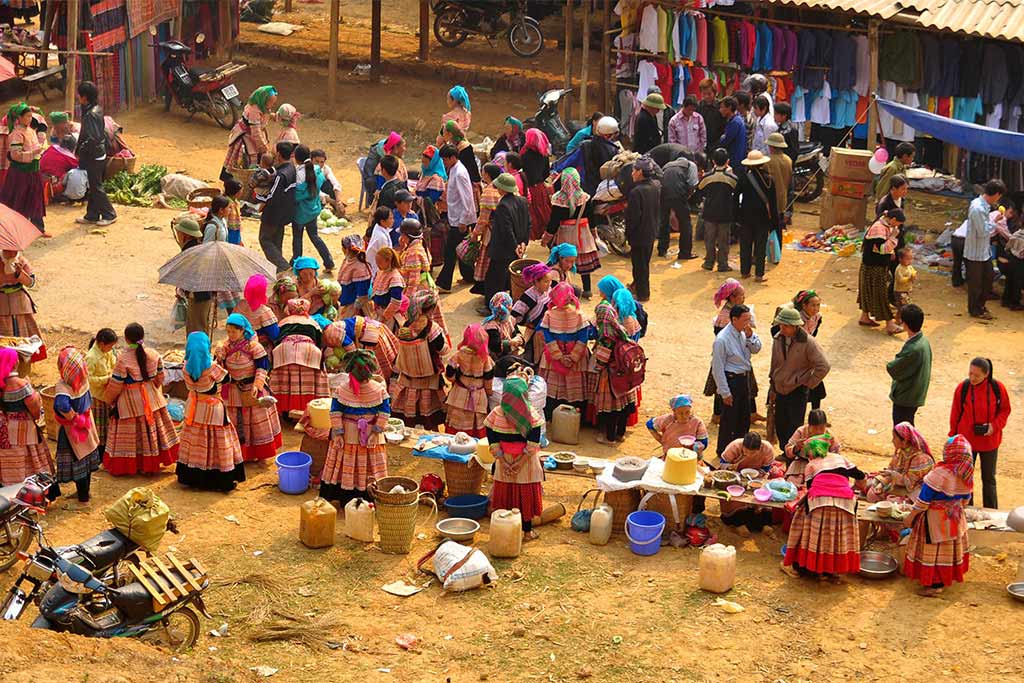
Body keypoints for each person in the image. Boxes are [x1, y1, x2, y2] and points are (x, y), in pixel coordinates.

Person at [102, 323, 180, 475]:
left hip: (130, 402)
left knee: (133, 436)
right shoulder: (153, 354)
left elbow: (116, 385)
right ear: (142, 337)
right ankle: (151, 463)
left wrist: (109, 399)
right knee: (153, 433)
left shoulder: (123, 359)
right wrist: (153, 390)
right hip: (152, 398)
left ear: (126, 339)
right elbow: (160, 377)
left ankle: (134, 465)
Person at [174, 332, 245, 491]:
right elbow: (226, 379)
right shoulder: (211, 367)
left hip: (194, 406)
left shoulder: (185, 366)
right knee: (216, 441)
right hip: (212, 409)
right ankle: (219, 478)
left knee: (195, 440)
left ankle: (192, 476)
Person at [903, 435, 973, 597]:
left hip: (934, 520)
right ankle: (944, 580)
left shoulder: (939, 474)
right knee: (948, 553)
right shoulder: (966, 473)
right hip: (955, 519)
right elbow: (965, 500)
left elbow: (923, 500)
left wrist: (910, 517)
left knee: (933, 553)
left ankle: (934, 585)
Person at [319, 350, 391, 506]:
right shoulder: (379, 390)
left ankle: (345, 496)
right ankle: (367, 497)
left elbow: (335, 412)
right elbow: (384, 413)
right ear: (370, 372)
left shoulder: (341, 390)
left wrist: (338, 433)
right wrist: (376, 431)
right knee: (367, 466)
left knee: (345, 464)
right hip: (365, 434)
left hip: (348, 435)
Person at [782, 452, 865, 582]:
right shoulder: (840, 458)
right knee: (835, 535)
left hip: (820, 502)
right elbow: (861, 476)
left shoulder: (811, 464)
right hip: (846, 503)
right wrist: (851, 487)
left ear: (810, 454)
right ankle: (830, 571)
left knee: (809, 530)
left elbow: (811, 488)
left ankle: (799, 567)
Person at [216, 313, 282, 463]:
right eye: (228, 332)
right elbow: (220, 368)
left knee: (254, 421)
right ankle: (239, 454)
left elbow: (263, 367)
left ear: (242, 331)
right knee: (235, 420)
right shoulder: (225, 347)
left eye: (233, 331)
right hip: (232, 390)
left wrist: (257, 384)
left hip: (251, 389)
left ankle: (256, 453)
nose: (230, 335)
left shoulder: (254, 347)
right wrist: (218, 356)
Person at [486, 375, 545, 540]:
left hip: (504, 459)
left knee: (505, 494)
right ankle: (527, 532)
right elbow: (533, 444)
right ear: (524, 394)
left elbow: (493, 441)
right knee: (524, 495)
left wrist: (503, 461)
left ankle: (504, 532)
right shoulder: (531, 415)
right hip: (526, 462)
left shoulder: (496, 414)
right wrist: (519, 463)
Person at [949, 357, 1010, 509]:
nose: (972, 378)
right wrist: (953, 437)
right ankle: (966, 511)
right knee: (964, 478)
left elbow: (1005, 410)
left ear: (986, 374)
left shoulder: (998, 388)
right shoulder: (962, 388)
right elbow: (955, 413)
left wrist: (993, 426)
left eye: (976, 375)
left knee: (989, 479)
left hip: (989, 441)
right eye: (970, 373)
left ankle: (991, 513)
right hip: (966, 442)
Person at [769, 304, 830, 451]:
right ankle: (785, 451)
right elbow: (774, 363)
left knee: (794, 425)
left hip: (797, 390)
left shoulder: (809, 342)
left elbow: (824, 366)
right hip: (780, 388)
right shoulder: (778, 339)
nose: (782, 329)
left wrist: (808, 383)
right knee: (781, 423)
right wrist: (772, 385)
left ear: (795, 326)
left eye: (785, 326)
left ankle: (793, 454)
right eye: (781, 325)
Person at [390, 290, 451, 429]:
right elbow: (443, 350)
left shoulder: (405, 326)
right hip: (429, 380)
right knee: (429, 418)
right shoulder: (432, 329)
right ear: (430, 309)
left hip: (408, 378)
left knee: (410, 416)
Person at [0, 347, 55, 491]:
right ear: (14, 362)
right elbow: (35, 409)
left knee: (9, 461)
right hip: (24, 430)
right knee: (30, 460)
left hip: (3, 430)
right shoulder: (22, 385)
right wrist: (35, 418)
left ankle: (9, 491)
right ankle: (32, 495)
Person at [591, 279, 639, 444]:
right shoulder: (623, 330)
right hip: (627, 372)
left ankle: (609, 437)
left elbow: (602, 359)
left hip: (611, 375)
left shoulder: (608, 337)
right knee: (625, 405)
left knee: (613, 408)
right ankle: (620, 434)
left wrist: (597, 366)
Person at [712, 304, 761, 455]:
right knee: (729, 420)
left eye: (749, 319)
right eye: (745, 319)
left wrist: (750, 336)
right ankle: (723, 452)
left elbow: (757, 349)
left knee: (743, 418)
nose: (748, 322)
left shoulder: (744, 333)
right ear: (734, 319)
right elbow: (717, 368)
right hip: (731, 380)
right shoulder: (722, 340)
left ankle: (740, 449)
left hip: (744, 379)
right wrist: (725, 392)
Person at [537, 282, 590, 418]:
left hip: (554, 359)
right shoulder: (579, 314)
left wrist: (559, 356)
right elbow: (583, 338)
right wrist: (573, 357)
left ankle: (551, 416)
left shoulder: (549, 314)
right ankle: (577, 418)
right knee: (575, 388)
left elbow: (547, 337)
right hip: (576, 360)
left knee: (554, 387)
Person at [545, 168, 600, 298]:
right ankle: (587, 290)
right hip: (583, 233)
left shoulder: (558, 200)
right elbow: (592, 220)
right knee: (583, 261)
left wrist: (547, 238)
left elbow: (553, 222)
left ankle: (562, 288)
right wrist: (594, 235)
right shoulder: (585, 198)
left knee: (563, 261)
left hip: (565, 234)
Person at [270, 298, 328, 415]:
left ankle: (285, 409)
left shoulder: (283, 322)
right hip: (309, 351)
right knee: (308, 381)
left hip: (284, 351)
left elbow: (276, 339)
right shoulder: (313, 323)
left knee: (286, 382)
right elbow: (320, 343)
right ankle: (310, 409)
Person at [73, 82, 116, 226]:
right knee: (93, 185)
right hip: (98, 154)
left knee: (96, 187)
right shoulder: (96, 109)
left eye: (79, 95)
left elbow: (93, 138)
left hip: (94, 156)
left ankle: (109, 214)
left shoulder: (91, 114)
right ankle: (92, 215)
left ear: (84, 97)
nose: (77, 97)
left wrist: (82, 150)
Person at [0, 103, 47, 235]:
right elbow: (15, 155)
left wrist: (38, 151)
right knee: (20, 201)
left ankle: (38, 228)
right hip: (20, 174)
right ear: (18, 118)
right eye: (27, 116)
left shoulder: (31, 131)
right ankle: (18, 230)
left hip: (33, 171)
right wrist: (34, 153)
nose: (30, 119)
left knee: (36, 198)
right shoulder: (16, 134)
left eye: (31, 116)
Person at [483, 172, 531, 303]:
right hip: (517, 247)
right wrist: (523, 243)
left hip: (503, 249)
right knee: (510, 277)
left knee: (494, 279)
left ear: (502, 189)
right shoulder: (522, 201)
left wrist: (514, 245)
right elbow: (528, 224)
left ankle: (491, 305)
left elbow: (506, 229)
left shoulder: (503, 205)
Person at [436, 144, 477, 292]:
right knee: (461, 249)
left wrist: (463, 221)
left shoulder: (459, 173)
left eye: (445, 160)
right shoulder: (454, 170)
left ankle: (444, 283)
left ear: (452, 158)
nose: (444, 163)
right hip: (456, 216)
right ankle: (469, 275)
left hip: (460, 219)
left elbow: (467, 198)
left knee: (450, 251)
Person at [718, 432, 777, 533]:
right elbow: (722, 463)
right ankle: (738, 523)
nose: (749, 455)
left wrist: (757, 476)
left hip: (758, 476)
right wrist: (729, 467)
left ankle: (763, 523)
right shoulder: (735, 446)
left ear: (759, 448)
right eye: (746, 452)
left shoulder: (767, 449)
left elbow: (766, 468)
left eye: (753, 453)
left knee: (763, 494)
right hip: (734, 476)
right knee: (735, 496)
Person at [963, 179, 1005, 319]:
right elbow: (983, 232)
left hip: (982, 251)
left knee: (988, 279)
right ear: (997, 194)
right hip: (975, 252)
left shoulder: (982, 205)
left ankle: (980, 306)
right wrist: (996, 223)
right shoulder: (978, 208)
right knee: (976, 284)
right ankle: (975, 310)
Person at [858, 208, 904, 334]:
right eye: (898, 223)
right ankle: (889, 323)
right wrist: (894, 238)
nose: (897, 226)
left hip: (870, 265)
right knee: (880, 294)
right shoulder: (879, 228)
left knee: (867, 291)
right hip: (875, 267)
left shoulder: (884, 225)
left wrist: (891, 251)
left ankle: (865, 317)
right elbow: (882, 248)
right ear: (893, 219)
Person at [444, 324, 495, 437]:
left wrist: (455, 381)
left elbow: (449, 374)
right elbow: (488, 380)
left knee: (457, 421)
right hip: (478, 395)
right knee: (477, 423)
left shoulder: (459, 354)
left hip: (459, 394)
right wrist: (489, 393)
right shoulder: (486, 359)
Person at [864, 422, 934, 502]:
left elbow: (910, 483)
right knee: (872, 493)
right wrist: (881, 483)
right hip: (900, 486)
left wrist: (893, 475)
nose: (892, 441)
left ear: (904, 441)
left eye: (894, 438)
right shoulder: (900, 452)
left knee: (893, 501)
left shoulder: (920, 459)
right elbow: (890, 470)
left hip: (916, 490)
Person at [886, 303, 931, 426]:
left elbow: (893, 368)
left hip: (906, 395)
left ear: (904, 324)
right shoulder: (923, 341)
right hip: (915, 393)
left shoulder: (913, 349)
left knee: (902, 428)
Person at [256, 141, 297, 274]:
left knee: (265, 240)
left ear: (278, 154)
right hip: (285, 213)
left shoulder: (281, 175)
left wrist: (260, 202)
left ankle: (284, 267)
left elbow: (272, 195)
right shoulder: (291, 168)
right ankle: (278, 271)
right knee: (276, 241)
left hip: (273, 214)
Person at [736, 150, 778, 282]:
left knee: (745, 245)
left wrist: (736, 215)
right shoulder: (769, 179)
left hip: (745, 216)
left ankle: (745, 272)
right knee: (760, 246)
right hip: (763, 218)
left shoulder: (743, 178)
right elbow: (773, 203)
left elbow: (735, 197)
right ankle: (759, 274)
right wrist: (774, 222)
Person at [398, 219, 447, 332]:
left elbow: (414, 280)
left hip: (418, 293)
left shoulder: (413, 253)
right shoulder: (419, 245)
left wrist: (407, 300)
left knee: (421, 323)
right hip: (425, 287)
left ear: (406, 236)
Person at [292, 145, 334, 273]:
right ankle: (328, 261)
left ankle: (297, 263)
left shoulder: (299, 174)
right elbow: (317, 187)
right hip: (313, 210)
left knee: (297, 239)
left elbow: (297, 195)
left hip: (300, 213)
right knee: (315, 236)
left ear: (296, 159)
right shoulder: (316, 170)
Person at [625, 156, 660, 302]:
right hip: (650, 231)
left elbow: (633, 218)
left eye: (634, 170)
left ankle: (643, 294)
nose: (632, 173)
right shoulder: (655, 186)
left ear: (640, 172)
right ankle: (637, 286)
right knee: (643, 263)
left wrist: (628, 234)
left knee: (639, 266)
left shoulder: (636, 192)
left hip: (639, 234)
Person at [697, 148, 737, 272]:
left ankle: (709, 262)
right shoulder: (732, 178)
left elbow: (699, 190)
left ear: (713, 161)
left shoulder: (707, 177)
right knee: (723, 240)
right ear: (728, 161)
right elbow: (736, 192)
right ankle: (723, 264)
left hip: (709, 213)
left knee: (709, 239)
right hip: (725, 213)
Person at [223, 85, 276, 180]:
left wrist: (272, 116)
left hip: (252, 135)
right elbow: (255, 133)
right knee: (244, 161)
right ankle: (241, 181)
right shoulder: (254, 111)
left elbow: (264, 116)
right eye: (270, 102)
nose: (271, 105)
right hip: (246, 138)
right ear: (263, 100)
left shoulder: (261, 106)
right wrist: (264, 148)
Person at [782, 409, 841, 485]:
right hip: (801, 463)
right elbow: (788, 451)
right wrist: (796, 447)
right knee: (792, 485)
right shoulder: (801, 431)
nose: (818, 431)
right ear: (809, 425)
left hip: (823, 465)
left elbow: (837, 455)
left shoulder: (829, 435)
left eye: (821, 428)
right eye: (815, 428)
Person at [657, 152, 699, 260]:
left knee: (664, 222)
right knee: (685, 224)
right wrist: (687, 196)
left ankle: (662, 250)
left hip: (662, 194)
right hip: (678, 195)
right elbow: (693, 183)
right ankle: (685, 253)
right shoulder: (691, 165)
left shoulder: (667, 165)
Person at [0, 250, 44, 349]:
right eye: (8, 251)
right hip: (1, 302)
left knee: (25, 332)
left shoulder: (22, 261)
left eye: (14, 251)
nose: (12, 254)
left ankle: (25, 358)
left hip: (20, 302)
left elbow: (31, 283)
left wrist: (20, 273)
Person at [471, 163, 502, 299]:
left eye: (483, 172)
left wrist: (475, 234)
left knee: (487, 261)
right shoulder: (501, 189)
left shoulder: (488, 192)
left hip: (490, 233)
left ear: (487, 175)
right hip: (502, 232)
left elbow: (483, 219)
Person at [85, 328, 117, 457]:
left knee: (106, 424)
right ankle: (98, 452)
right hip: (97, 396)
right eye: (110, 346)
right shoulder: (91, 358)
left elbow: (114, 364)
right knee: (99, 426)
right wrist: (106, 379)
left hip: (107, 394)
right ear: (102, 343)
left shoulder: (108, 353)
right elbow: (88, 379)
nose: (112, 348)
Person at [233, 274, 280, 355]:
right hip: (259, 349)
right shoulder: (264, 311)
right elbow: (274, 335)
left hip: (237, 346)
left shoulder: (239, 305)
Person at [520, 129, 552, 241]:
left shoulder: (524, 154)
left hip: (528, 189)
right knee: (543, 212)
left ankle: (531, 237)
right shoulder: (544, 154)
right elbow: (547, 173)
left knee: (531, 214)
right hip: (540, 187)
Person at [579, 116, 621, 196]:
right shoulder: (612, 150)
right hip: (603, 188)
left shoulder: (587, 144)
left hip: (588, 185)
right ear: (608, 135)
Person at [370, 247, 406, 331]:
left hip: (389, 317)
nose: (377, 265)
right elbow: (375, 290)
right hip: (379, 313)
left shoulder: (395, 277)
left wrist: (385, 317)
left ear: (388, 261)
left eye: (379, 262)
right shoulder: (380, 273)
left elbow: (396, 302)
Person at [337, 235, 372, 319]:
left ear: (346, 249)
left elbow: (362, 294)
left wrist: (356, 310)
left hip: (353, 307)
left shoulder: (360, 268)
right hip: (346, 302)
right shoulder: (348, 260)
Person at [765, 132, 792, 237]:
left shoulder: (768, 161)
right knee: (778, 230)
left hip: (769, 202)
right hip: (782, 201)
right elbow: (790, 183)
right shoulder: (788, 160)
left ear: (771, 147)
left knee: (767, 231)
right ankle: (777, 251)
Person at [441, 121, 482, 191]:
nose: (443, 135)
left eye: (444, 132)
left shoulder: (465, 148)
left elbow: (470, 169)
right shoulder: (452, 144)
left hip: (467, 182)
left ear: (450, 134)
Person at [482, 292, 522, 360]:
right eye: (509, 308)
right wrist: (510, 342)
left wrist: (519, 339)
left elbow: (517, 333)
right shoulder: (491, 326)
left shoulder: (510, 320)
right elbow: (495, 347)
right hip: (497, 358)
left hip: (510, 353)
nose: (511, 309)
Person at [310, 149, 345, 217]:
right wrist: (333, 202)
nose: (319, 165)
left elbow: (335, 183)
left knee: (328, 184)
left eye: (322, 162)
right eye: (316, 162)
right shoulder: (307, 171)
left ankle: (338, 210)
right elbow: (315, 191)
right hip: (310, 196)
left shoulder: (326, 169)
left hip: (321, 194)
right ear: (311, 160)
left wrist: (338, 201)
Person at [718, 96, 748, 171]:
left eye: (722, 107)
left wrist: (722, 138)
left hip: (735, 161)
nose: (720, 110)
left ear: (729, 108)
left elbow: (725, 141)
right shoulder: (737, 119)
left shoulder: (735, 122)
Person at [697, 79, 723, 156]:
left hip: (717, 144)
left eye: (709, 94)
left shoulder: (721, 106)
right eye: (704, 94)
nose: (706, 96)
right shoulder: (698, 107)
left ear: (715, 93)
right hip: (701, 144)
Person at [366, 206, 395, 276]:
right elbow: (386, 259)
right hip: (377, 269)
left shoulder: (378, 227)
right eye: (390, 218)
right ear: (382, 221)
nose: (393, 221)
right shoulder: (381, 238)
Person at [892, 247, 917, 320]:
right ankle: (900, 319)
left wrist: (914, 275)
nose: (910, 261)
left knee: (903, 306)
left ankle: (898, 317)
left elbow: (913, 272)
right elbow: (900, 280)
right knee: (903, 306)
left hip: (906, 290)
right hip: (900, 291)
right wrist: (909, 278)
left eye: (911, 259)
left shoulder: (909, 267)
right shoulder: (899, 269)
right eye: (908, 259)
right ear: (900, 259)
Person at [222, 178, 245, 245]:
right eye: (241, 190)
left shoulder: (236, 202)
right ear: (235, 192)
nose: (242, 192)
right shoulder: (226, 204)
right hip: (229, 232)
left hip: (236, 231)